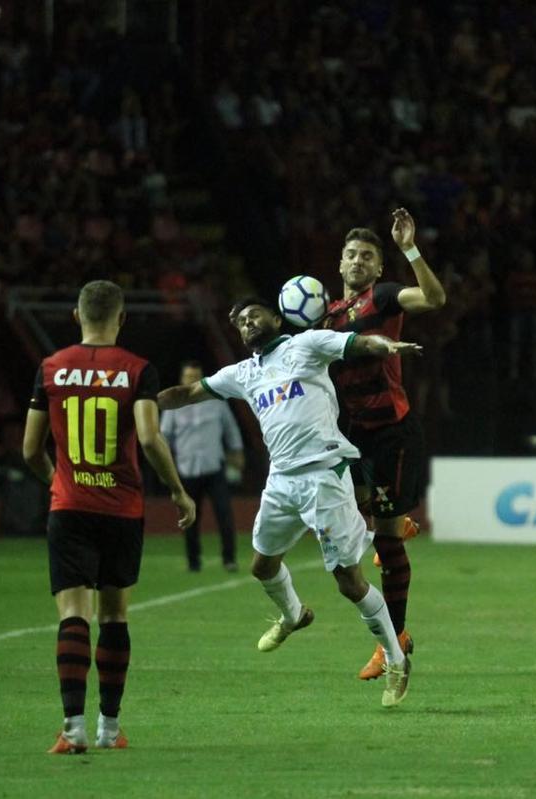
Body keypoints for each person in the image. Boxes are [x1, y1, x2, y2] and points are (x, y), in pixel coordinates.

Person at [158, 297, 421, 707]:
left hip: (323, 476)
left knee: (350, 583)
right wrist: (142, 401)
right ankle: (294, 614)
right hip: (281, 481)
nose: (248, 322)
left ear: (277, 317)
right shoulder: (242, 374)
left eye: (254, 314)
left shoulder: (305, 345)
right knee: (261, 565)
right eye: (241, 320)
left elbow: (353, 344)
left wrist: (383, 345)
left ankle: (395, 657)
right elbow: (188, 392)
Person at [23, 280, 196, 754]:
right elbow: (147, 437)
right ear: (121, 319)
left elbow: (29, 450)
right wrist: (179, 492)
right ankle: (109, 728)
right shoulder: (138, 370)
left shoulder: (51, 368)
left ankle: (72, 728)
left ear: (77, 317)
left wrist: (59, 480)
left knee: (73, 612)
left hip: (70, 507)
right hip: (122, 509)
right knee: (114, 615)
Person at [322, 208, 447, 681]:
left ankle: (394, 641)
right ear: (340, 264)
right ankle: (398, 522)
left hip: (390, 431)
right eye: (351, 254)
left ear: (377, 268)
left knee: (387, 542)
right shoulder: (325, 315)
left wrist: (410, 249)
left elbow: (434, 298)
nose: (358, 261)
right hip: (348, 434)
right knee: (350, 518)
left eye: (367, 256)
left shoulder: (384, 297)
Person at [161, 360, 246, 572]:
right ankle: (194, 561)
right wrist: (164, 467)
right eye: (188, 377)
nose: (192, 381)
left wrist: (236, 452)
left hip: (214, 467)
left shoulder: (216, 401)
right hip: (186, 469)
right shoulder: (173, 408)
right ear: (182, 380)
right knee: (190, 519)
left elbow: (231, 430)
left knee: (224, 514)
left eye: (195, 377)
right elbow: (163, 438)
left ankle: (229, 559)